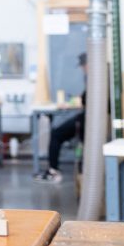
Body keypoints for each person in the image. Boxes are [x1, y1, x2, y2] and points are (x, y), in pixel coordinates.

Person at [34, 52, 87, 183]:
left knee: (56, 134)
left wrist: (77, 102)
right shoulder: (94, 78)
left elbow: (86, 99)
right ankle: (53, 168)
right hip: (85, 117)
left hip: (86, 120)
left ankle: (53, 170)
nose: (82, 69)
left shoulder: (96, 77)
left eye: (83, 66)